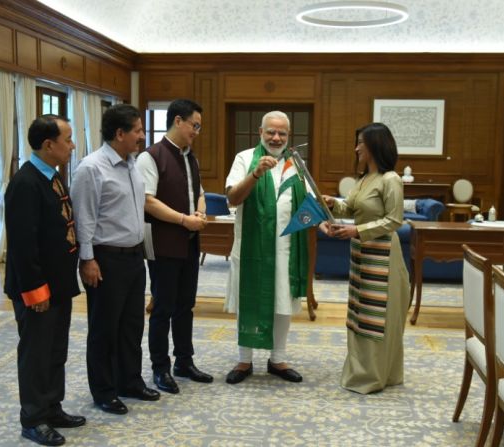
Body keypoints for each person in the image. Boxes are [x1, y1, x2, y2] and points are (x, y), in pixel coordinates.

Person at [70, 104, 160, 416]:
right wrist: (87, 260)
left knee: (132, 326)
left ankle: (130, 381)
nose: (142, 136)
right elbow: (84, 219)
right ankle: (104, 391)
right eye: (137, 130)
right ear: (119, 133)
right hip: (105, 259)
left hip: (135, 257)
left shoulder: (132, 163)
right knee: (105, 329)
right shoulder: (91, 168)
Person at [4, 114, 85, 446]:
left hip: (59, 283)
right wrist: (36, 292)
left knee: (55, 350)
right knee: (36, 354)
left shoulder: (52, 176)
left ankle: (52, 406)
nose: (72, 145)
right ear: (48, 145)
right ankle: (33, 418)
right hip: (36, 288)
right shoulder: (25, 183)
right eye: (67, 139)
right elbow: (23, 245)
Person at [321, 122, 411, 394]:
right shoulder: (363, 180)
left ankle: (376, 374)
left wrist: (356, 230)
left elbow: (394, 220)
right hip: (361, 252)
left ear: (374, 145)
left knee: (377, 316)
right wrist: (333, 202)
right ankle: (361, 370)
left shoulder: (390, 179)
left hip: (383, 255)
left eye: (361, 142)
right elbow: (351, 207)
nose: (356, 147)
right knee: (360, 313)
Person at [223, 110, 308, 385]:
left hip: (286, 249)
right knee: (248, 297)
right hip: (252, 248)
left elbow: (305, 204)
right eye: (271, 131)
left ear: (288, 136)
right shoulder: (245, 158)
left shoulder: (295, 163)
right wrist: (256, 173)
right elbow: (233, 197)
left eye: (282, 133)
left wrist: (322, 216)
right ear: (261, 132)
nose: (276, 137)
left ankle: (278, 359)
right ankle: (244, 359)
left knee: (283, 302)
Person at [136, 98, 212, 394]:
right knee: (163, 307)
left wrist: (201, 213)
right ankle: (160, 368)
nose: (197, 131)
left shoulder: (189, 156)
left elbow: (200, 192)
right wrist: (184, 220)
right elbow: (147, 201)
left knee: (185, 305)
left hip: (189, 243)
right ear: (177, 121)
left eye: (199, 127)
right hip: (163, 244)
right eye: (195, 125)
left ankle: (184, 361)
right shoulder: (151, 157)